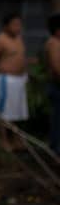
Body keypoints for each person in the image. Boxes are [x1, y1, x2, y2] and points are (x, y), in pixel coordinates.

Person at [0, 12, 29, 150]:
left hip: (19, 80)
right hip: (5, 80)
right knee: (4, 112)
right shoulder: (0, 40)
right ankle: (3, 141)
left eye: (19, 24)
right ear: (6, 26)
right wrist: (4, 69)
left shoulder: (19, 38)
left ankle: (16, 139)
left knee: (17, 112)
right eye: (15, 24)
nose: (18, 27)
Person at [45, 13, 60, 155]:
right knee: (57, 119)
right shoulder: (53, 43)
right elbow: (56, 68)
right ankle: (56, 149)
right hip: (57, 86)